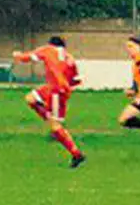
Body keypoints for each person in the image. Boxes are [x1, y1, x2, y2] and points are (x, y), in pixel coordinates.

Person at [13, 37, 86, 168]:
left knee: (56, 125)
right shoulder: (70, 58)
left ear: (51, 44)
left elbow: (28, 57)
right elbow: (76, 81)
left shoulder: (48, 50)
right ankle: (51, 121)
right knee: (30, 99)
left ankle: (76, 154)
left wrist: (17, 55)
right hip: (56, 88)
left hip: (55, 90)